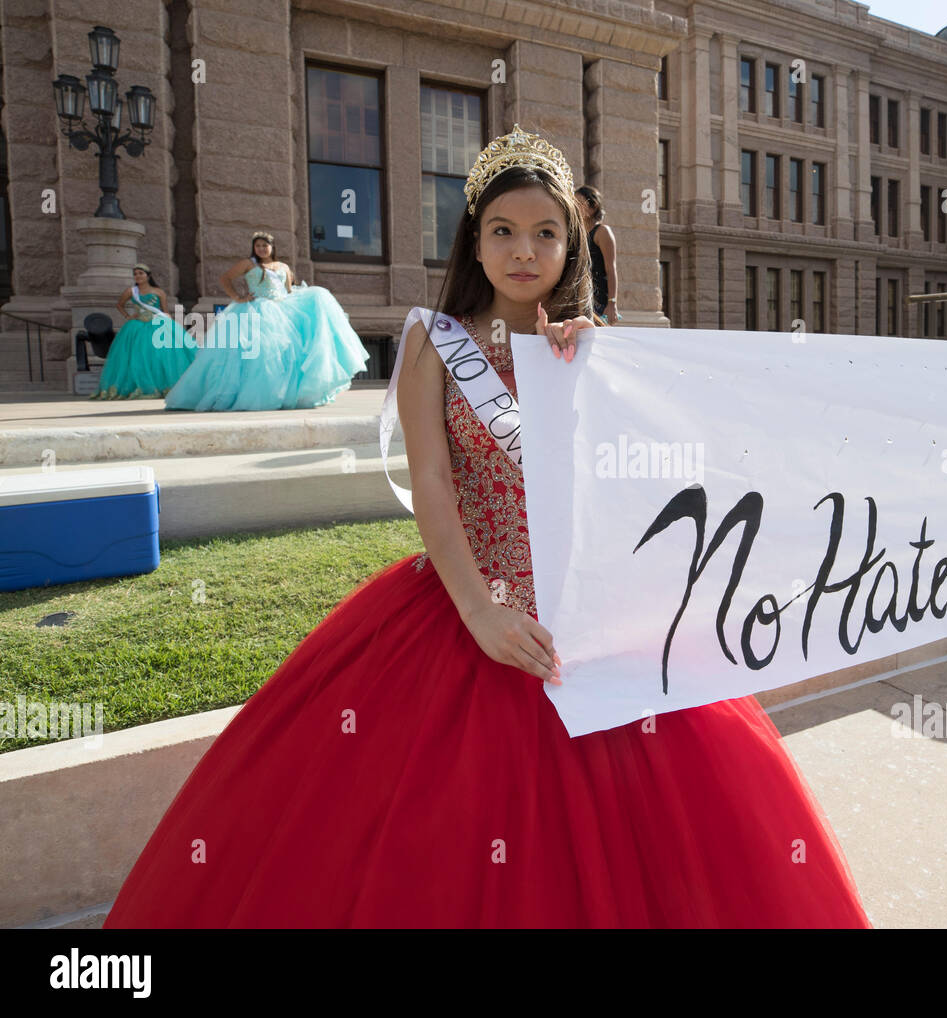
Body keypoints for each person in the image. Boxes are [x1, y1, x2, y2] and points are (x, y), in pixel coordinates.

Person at [103, 125, 870, 928]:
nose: (524, 251)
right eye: (503, 231)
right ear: (474, 241)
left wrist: (594, 370)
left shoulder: (589, 349)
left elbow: (631, 484)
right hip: (466, 603)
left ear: (572, 245)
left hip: (584, 614)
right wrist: (478, 611)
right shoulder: (436, 345)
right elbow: (431, 481)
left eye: (546, 233)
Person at [164, 232, 369, 411]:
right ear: (254, 248)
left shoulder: (283, 266)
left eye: (265, 245)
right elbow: (226, 278)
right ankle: (251, 394)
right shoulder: (248, 264)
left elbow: (288, 292)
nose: (261, 248)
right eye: (258, 245)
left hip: (281, 311)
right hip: (255, 309)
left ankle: (285, 394)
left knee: (286, 351)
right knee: (254, 355)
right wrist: (237, 297)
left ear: (272, 247)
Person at [90, 264, 196, 399]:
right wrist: (128, 316)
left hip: (157, 324)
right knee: (137, 356)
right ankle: (139, 386)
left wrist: (169, 322)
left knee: (161, 355)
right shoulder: (131, 291)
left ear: (148, 276)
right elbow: (119, 305)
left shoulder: (158, 292)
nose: (138, 276)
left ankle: (164, 385)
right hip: (137, 327)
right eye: (135, 274)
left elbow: (164, 310)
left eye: (141, 273)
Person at [577, 185, 619, 323]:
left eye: (579, 203)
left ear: (593, 206)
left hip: (599, 302)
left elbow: (611, 269)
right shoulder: (578, 234)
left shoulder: (602, 232)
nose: (574, 207)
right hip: (580, 298)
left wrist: (612, 303)